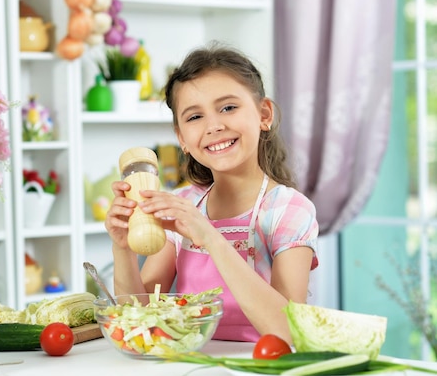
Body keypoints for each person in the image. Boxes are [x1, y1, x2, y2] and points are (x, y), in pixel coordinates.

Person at [104, 43, 319, 344]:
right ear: (182, 139)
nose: (214, 126)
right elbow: (137, 319)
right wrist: (122, 249)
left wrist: (210, 236)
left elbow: (289, 331)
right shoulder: (183, 205)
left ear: (264, 114)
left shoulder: (289, 210)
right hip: (190, 365)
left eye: (228, 107)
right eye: (194, 117)